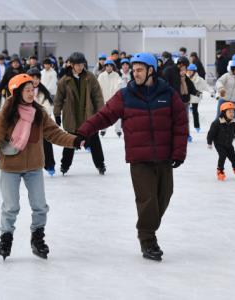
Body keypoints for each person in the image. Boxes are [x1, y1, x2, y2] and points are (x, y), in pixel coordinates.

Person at [74, 52, 188, 261]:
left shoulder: (168, 94)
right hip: (139, 158)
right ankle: (147, 239)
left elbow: (180, 124)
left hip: (164, 157)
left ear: (151, 70)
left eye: (139, 70)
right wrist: (84, 131)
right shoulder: (125, 95)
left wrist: (179, 152)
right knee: (148, 200)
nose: (135, 74)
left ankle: (148, 229)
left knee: (164, 196)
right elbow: (104, 115)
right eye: (133, 70)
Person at [0, 74, 79, 260]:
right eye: (27, 90)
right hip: (10, 167)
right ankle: (6, 238)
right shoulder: (5, 114)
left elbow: (54, 134)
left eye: (33, 90)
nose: (31, 93)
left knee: (39, 206)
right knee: (11, 206)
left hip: (34, 167)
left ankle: (37, 238)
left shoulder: (39, 113)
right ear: (17, 93)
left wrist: (75, 141)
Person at [53, 52, 106, 175]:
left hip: (88, 114)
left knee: (94, 140)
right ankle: (64, 166)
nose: (80, 67)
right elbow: (58, 99)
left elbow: (97, 96)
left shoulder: (90, 77)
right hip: (71, 115)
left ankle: (100, 165)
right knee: (70, 141)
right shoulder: (64, 80)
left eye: (82, 64)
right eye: (77, 65)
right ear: (71, 65)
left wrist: (101, 112)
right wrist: (56, 114)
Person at [163, 56, 199, 142]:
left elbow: (189, 84)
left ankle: (186, 135)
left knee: (185, 119)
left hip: (185, 101)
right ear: (181, 64)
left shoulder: (183, 75)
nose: (186, 69)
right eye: (185, 66)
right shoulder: (169, 71)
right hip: (174, 101)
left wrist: (195, 92)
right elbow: (165, 84)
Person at [27, 68, 56, 176]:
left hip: (41, 121)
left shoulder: (43, 91)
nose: (35, 80)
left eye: (37, 78)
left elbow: (48, 106)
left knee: (46, 143)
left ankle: (50, 164)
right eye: (32, 78)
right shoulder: (23, 91)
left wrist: (41, 114)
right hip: (28, 123)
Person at [207, 102, 235, 181]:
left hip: (229, 144)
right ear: (224, 113)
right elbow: (211, 133)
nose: (232, 114)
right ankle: (220, 170)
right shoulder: (217, 122)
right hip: (219, 143)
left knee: (233, 157)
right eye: (229, 112)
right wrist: (209, 142)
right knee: (222, 155)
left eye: (233, 112)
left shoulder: (234, 122)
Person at [98, 59, 122, 137]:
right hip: (104, 99)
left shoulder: (116, 75)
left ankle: (118, 130)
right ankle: (103, 129)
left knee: (117, 115)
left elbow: (119, 84)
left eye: (110, 66)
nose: (109, 67)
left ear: (113, 67)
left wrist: (118, 86)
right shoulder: (101, 76)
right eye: (107, 66)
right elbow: (98, 87)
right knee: (105, 115)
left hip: (114, 100)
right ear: (105, 67)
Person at [187, 63, 213, 133]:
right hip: (187, 97)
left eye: (191, 71)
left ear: (194, 71)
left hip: (195, 98)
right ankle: (186, 127)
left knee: (195, 112)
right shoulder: (185, 78)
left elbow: (206, 86)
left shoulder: (199, 79)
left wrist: (211, 91)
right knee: (185, 113)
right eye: (188, 70)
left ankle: (197, 126)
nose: (189, 72)